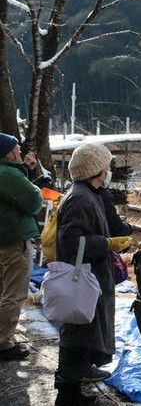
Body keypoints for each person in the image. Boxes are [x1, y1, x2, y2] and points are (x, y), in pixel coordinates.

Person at [54, 143, 131, 405]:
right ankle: (68, 394)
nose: (109, 170)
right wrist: (107, 244)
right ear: (96, 169)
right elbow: (72, 241)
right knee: (77, 332)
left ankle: (76, 382)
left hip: (91, 276)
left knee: (84, 330)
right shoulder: (80, 198)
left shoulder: (91, 194)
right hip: (83, 277)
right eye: (106, 165)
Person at [0, 133, 43, 362]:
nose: (20, 151)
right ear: (8, 152)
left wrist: (24, 171)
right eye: (16, 148)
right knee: (14, 294)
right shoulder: (6, 173)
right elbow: (33, 202)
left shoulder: (8, 172)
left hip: (4, 239)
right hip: (14, 241)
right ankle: (3, 343)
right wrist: (36, 189)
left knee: (3, 292)